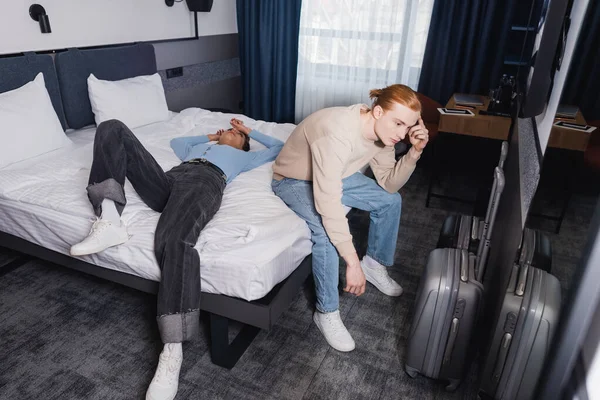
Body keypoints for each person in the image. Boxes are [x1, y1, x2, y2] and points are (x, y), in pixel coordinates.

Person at [69, 117, 283, 400]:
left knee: (173, 239)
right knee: (112, 128)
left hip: (205, 182)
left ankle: (172, 350)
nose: (231, 132)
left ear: (244, 146)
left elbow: (278, 145)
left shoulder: (244, 159)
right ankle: (110, 220)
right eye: (230, 130)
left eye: (236, 134)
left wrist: (246, 131)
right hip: (169, 179)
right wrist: (211, 136)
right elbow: (177, 143)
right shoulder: (192, 151)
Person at [271, 84, 429, 352]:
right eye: (398, 123)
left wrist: (415, 152)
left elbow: (389, 185)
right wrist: (351, 261)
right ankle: (326, 313)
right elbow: (328, 203)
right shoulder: (337, 132)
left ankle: (375, 265)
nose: (402, 134)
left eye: (409, 127)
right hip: (293, 179)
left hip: (337, 172)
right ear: (378, 112)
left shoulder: (384, 135)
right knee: (324, 234)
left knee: (390, 202)